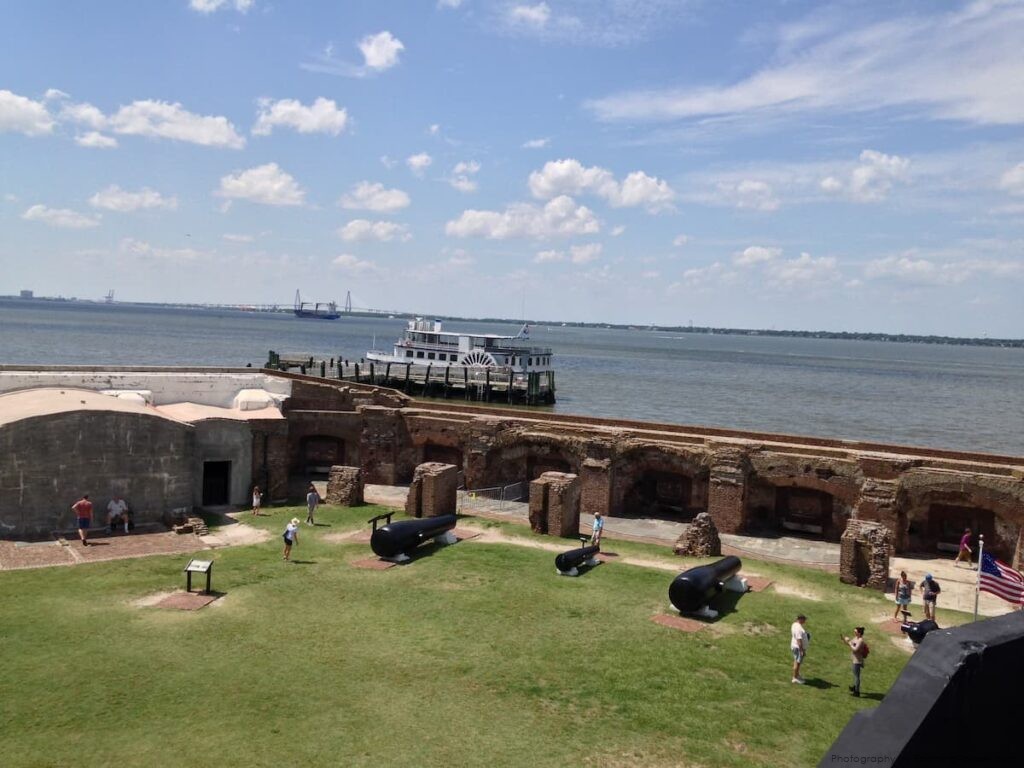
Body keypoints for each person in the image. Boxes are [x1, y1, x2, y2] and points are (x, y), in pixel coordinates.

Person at [842, 627, 869, 697]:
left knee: (857, 676)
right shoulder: (856, 638)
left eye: (855, 632)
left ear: (859, 633)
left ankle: (857, 692)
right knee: (855, 675)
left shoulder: (860, 641)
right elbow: (851, 643)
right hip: (855, 659)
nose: (854, 633)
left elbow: (855, 649)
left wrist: (849, 643)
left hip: (857, 661)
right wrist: (845, 641)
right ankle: (855, 687)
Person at [790, 614, 809, 684]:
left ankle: (797, 675)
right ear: (800, 619)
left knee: (797, 661)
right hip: (798, 648)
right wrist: (801, 650)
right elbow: (799, 640)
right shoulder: (798, 628)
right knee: (797, 663)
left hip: (795, 646)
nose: (805, 621)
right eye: (804, 619)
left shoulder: (794, 624)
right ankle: (795, 678)